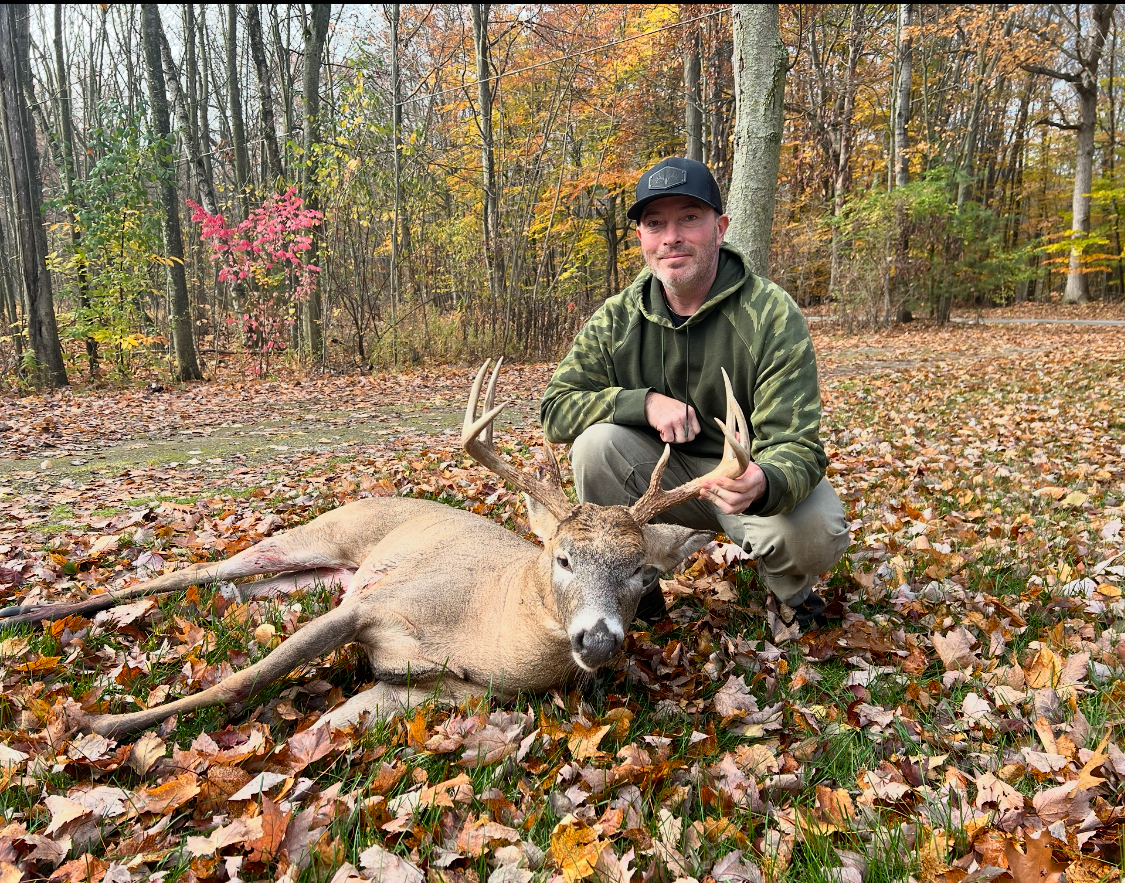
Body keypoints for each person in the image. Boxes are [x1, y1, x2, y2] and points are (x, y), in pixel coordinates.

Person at [540, 157, 850, 633]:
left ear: (720, 227)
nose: (671, 238)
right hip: (658, 485)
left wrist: (766, 479)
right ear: (641, 237)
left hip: (743, 483)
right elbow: (557, 407)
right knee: (593, 446)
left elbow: (799, 444)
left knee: (815, 529)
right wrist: (641, 403)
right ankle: (633, 588)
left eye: (689, 218)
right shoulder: (618, 317)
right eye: (655, 223)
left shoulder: (769, 314)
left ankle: (791, 594)